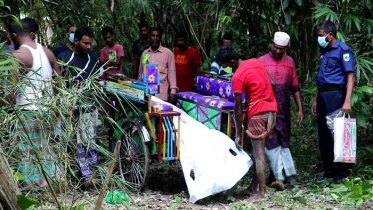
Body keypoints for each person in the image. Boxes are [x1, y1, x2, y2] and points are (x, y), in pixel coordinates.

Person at [217, 46, 277, 200]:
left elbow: (238, 108)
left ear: (232, 62)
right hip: (271, 110)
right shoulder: (256, 62)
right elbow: (273, 83)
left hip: (257, 112)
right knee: (261, 150)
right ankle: (253, 187)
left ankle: (262, 193)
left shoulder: (237, 77)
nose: (225, 68)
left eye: (225, 65)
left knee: (258, 154)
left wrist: (237, 134)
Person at [6, 18, 61, 189]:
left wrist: (4, 107)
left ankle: (32, 188)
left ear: (14, 36)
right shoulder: (48, 52)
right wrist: (58, 108)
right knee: (43, 148)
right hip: (46, 110)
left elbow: (11, 90)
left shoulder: (18, 55)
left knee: (26, 151)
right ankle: (49, 183)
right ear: (32, 34)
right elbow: (59, 82)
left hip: (27, 110)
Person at [311, 20, 355, 185]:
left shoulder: (343, 50)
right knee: (324, 135)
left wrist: (347, 100)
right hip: (323, 94)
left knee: (337, 133)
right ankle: (328, 171)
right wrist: (316, 98)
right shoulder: (324, 51)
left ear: (330, 35)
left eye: (321, 36)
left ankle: (340, 174)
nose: (319, 38)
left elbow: (350, 76)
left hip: (336, 95)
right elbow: (321, 77)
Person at [258, 32, 303, 191]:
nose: (278, 51)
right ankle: (278, 176)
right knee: (270, 139)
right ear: (272, 44)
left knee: (284, 139)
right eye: (276, 48)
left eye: (281, 49)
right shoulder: (261, 61)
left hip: (284, 108)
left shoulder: (290, 62)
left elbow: (295, 86)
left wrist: (300, 108)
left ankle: (285, 174)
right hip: (267, 107)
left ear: (287, 48)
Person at [57, 26, 100, 184]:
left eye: (90, 43)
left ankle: (89, 176)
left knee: (90, 141)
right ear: (76, 41)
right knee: (69, 142)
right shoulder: (63, 57)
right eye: (85, 43)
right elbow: (58, 81)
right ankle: (71, 174)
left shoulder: (94, 58)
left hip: (90, 106)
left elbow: (97, 81)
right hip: (70, 108)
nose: (88, 46)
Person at [138, 26, 177, 104]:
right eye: (153, 36)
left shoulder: (168, 53)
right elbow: (141, 73)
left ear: (160, 38)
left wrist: (173, 91)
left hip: (162, 95)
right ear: (149, 37)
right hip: (147, 94)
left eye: (157, 36)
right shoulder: (145, 54)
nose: (155, 38)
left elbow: (171, 73)